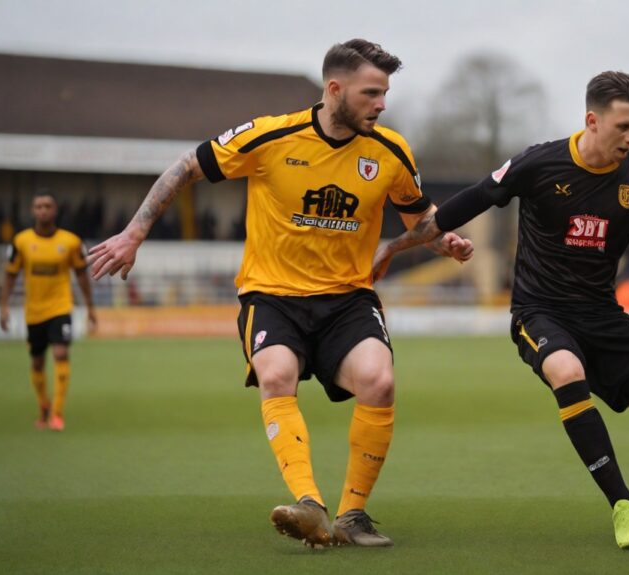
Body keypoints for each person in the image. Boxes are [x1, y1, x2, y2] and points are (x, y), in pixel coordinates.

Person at [88, 39, 473, 548]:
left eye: (385, 93)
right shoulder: (271, 135)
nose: (382, 103)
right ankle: (310, 505)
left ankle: (353, 517)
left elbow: (419, 217)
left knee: (379, 382)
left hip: (347, 298)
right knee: (276, 373)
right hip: (272, 296)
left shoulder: (391, 151)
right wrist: (135, 232)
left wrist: (440, 238)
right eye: (371, 92)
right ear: (335, 89)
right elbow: (187, 166)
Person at [373, 71, 629, 549]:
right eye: (623, 127)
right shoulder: (540, 162)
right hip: (540, 311)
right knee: (567, 372)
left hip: (603, 314)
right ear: (592, 120)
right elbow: (471, 200)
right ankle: (622, 506)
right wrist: (396, 245)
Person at [0, 193, 97, 431]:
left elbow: (82, 275)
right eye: (38, 206)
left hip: (61, 307)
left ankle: (57, 413)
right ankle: (43, 405)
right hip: (33, 311)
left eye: (47, 206)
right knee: (37, 362)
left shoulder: (71, 242)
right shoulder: (21, 241)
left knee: (61, 354)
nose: (43, 210)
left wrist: (90, 307)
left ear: (55, 210)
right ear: (33, 210)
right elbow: (11, 275)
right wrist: (3, 306)